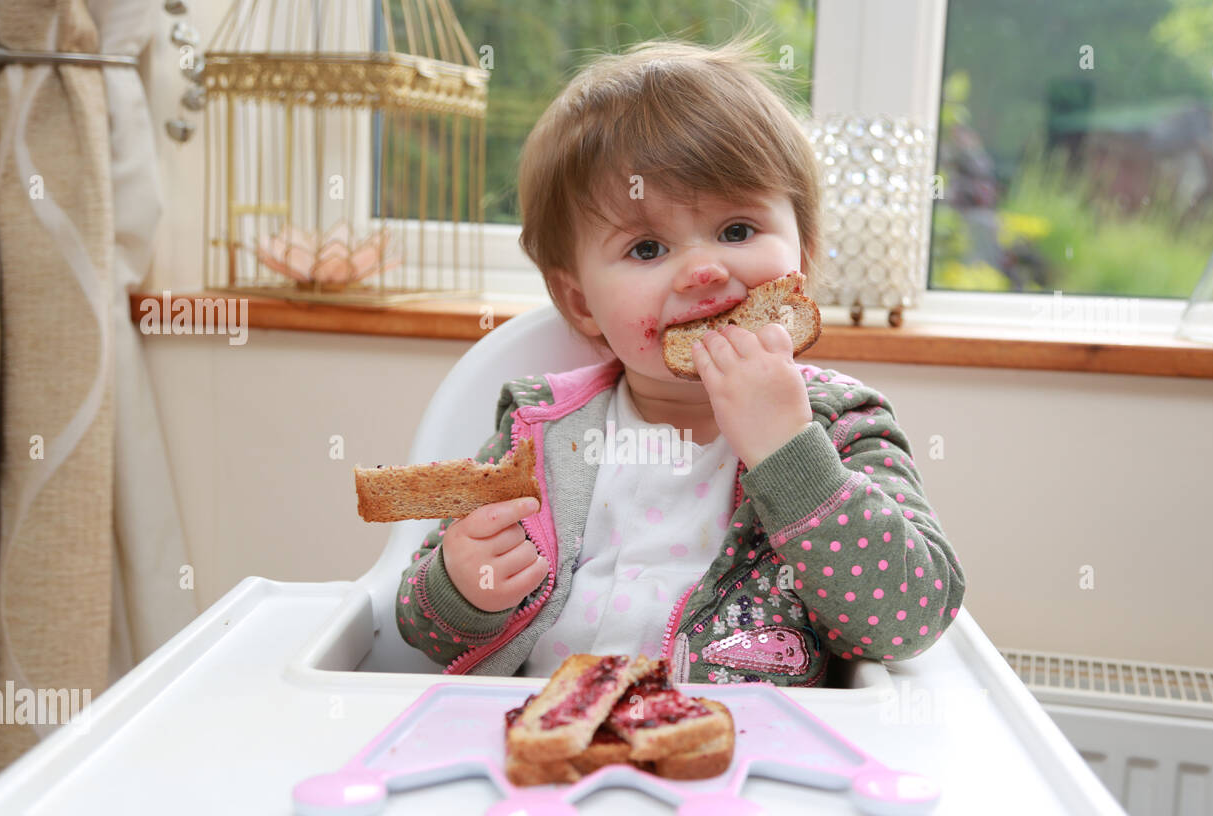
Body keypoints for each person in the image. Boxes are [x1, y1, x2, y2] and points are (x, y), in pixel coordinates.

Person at [395, 33, 965, 687]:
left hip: (750, 755)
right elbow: (419, 627)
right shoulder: (536, 430)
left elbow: (910, 620)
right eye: (646, 249)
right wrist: (464, 589)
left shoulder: (842, 424)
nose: (703, 269)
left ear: (801, 257)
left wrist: (790, 455)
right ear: (581, 304)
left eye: (737, 231)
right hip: (553, 744)